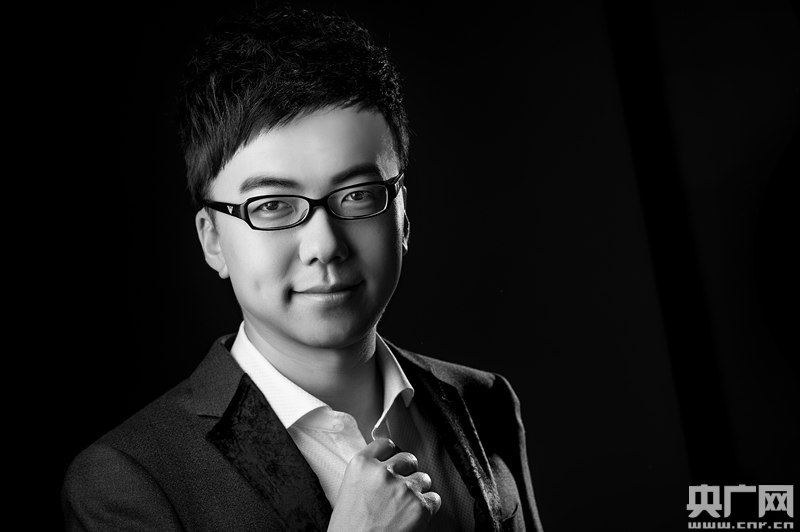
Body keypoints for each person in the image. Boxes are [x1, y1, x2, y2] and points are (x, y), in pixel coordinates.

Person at [62, 5, 544, 531]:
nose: (325, 246)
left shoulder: (485, 403)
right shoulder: (130, 481)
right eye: (272, 205)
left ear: (403, 214)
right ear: (212, 240)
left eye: (357, 195)